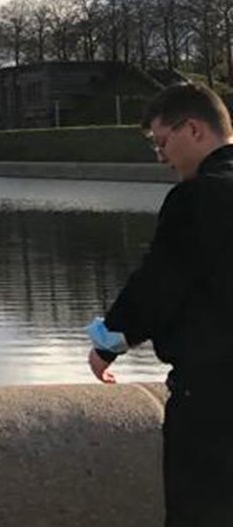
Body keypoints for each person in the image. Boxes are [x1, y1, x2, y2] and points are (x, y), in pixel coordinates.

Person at [86, 83, 233, 527]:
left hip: (214, 395)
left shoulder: (199, 197)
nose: (161, 156)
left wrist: (107, 341)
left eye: (161, 141)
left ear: (193, 129)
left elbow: (159, 285)